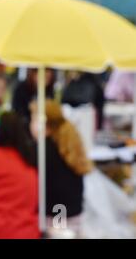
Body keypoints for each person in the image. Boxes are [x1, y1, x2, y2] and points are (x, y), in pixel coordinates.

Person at [29, 100, 93, 236]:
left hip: (58, 215)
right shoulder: (67, 142)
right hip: (72, 213)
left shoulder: (43, 150)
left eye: (33, 120)